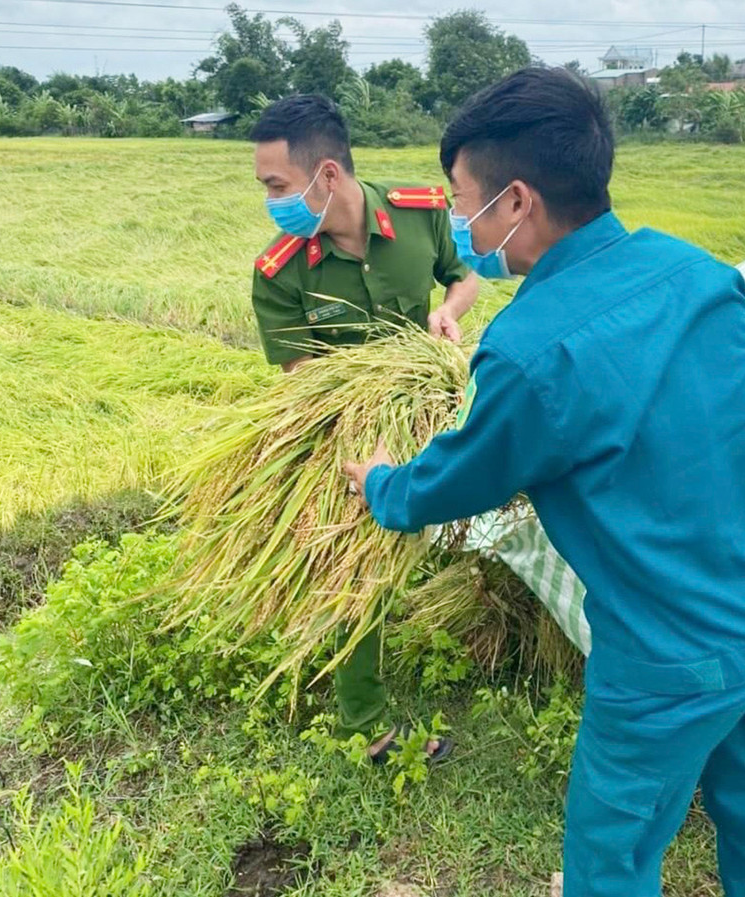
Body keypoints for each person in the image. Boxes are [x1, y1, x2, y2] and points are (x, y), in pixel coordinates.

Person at [345, 67, 745, 897]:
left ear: (518, 201)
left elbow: (463, 476)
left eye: (463, 201)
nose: (458, 222)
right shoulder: (701, 275)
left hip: (670, 661)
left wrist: (384, 484)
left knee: (611, 855)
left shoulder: (530, 347)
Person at [251, 94, 478, 761]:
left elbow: (462, 276)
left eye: (276, 185)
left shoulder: (419, 213)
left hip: (426, 407)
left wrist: (447, 312)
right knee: (360, 560)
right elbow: (304, 382)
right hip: (346, 429)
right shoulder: (279, 269)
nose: (270, 202)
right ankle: (368, 722)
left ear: (326, 175)